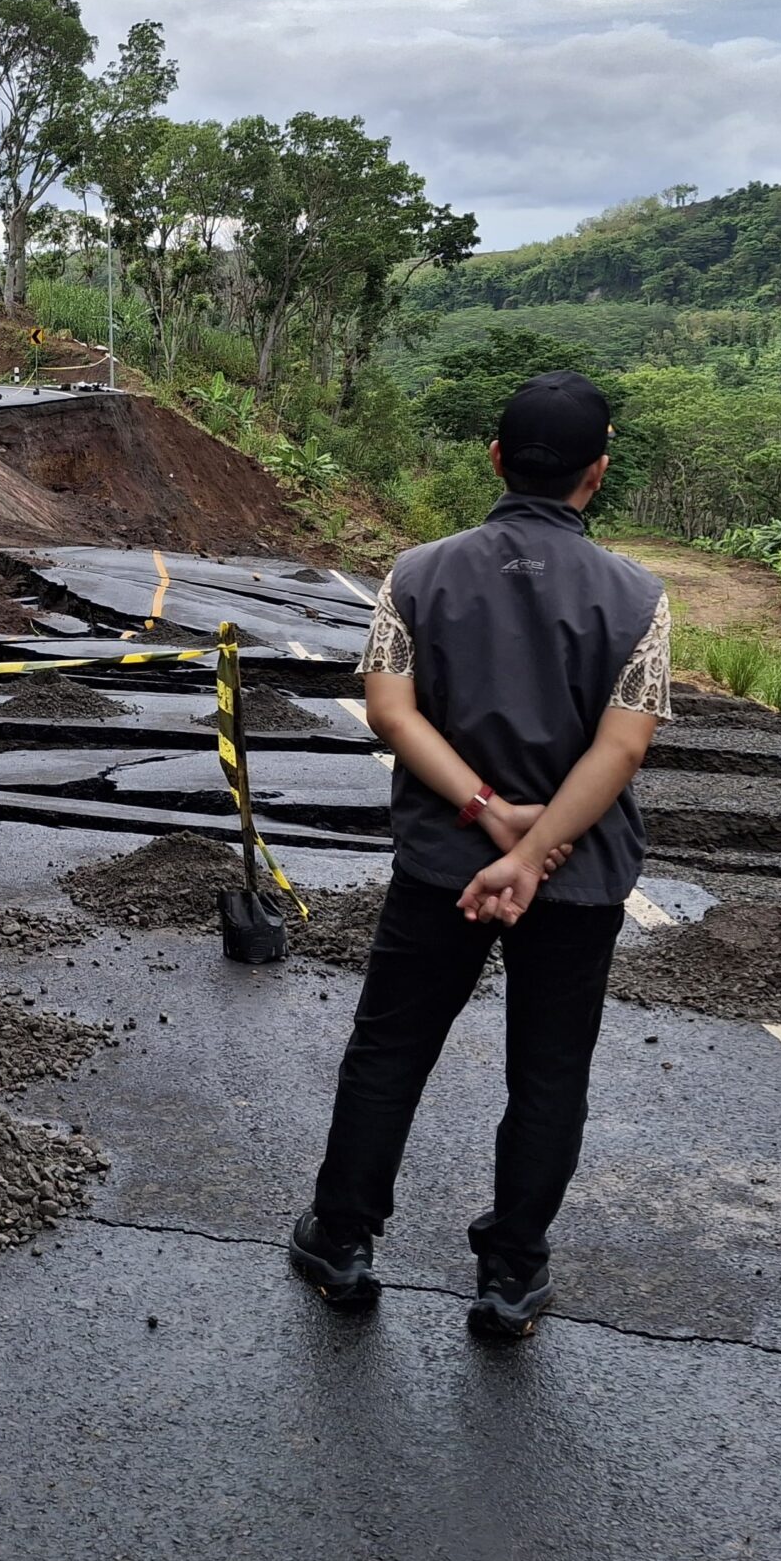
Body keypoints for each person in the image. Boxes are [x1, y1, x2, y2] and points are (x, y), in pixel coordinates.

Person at [293, 370, 670, 1340]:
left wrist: (488, 817)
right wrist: (540, 848)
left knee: (391, 1047)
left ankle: (341, 1239)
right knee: (548, 1071)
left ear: (495, 456)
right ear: (598, 469)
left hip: (442, 862)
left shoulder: (416, 573)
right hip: (578, 879)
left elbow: (389, 710)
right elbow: (622, 746)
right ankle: (510, 1274)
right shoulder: (640, 597)